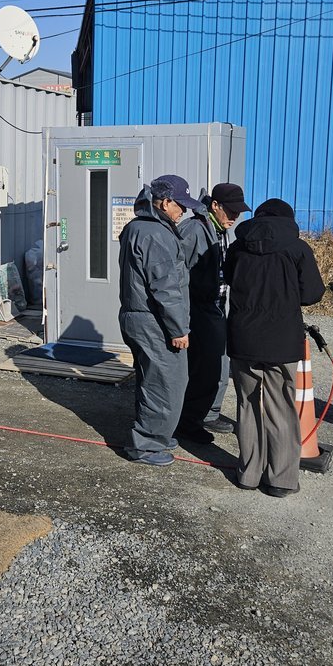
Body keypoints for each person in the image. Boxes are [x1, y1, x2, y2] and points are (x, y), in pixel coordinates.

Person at [225, 199, 324, 496]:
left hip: (243, 337)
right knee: (281, 406)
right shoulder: (297, 248)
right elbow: (311, 294)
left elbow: (228, 279)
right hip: (282, 339)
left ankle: (249, 474)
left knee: (247, 404)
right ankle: (280, 479)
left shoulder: (237, 247)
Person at [118, 174, 204, 467]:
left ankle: (157, 434)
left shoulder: (136, 227)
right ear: (165, 203)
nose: (184, 211)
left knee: (151, 379)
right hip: (154, 321)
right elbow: (165, 287)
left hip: (137, 315)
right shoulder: (157, 234)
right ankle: (147, 444)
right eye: (181, 205)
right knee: (166, 383)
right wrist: (178, 329)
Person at [177, 183, 251, 443]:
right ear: (215, 205)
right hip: (198, 307)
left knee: (217, 365)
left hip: (216, 305)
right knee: (205, 368)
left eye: (239, 212)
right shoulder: (195, 229)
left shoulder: (219, 229)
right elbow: (177, 271)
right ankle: (188, 422)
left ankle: (204, 414)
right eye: (230, 211)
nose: (235, 217)